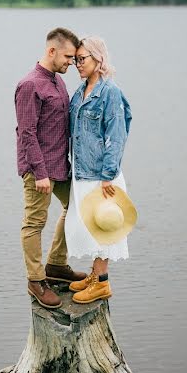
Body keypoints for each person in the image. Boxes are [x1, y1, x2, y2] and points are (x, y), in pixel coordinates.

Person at [15, 27, 88, 309]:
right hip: (39, 170)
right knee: (34, 223)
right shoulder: (30, 84)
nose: (72, 62)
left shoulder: (58, 82)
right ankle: (35, 280)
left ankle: (56, 264)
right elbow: (27, 133)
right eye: (68, 56)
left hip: (61, 166)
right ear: (51, 51)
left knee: (77, 207)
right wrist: (40, 173)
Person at [65, 36, 134, 304]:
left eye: (82, 59)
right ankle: (95, 274)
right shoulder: (80, 91)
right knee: (88, 226)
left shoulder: (110, 92)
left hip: (101, 177)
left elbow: (116, 136)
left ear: (99, 59)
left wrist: (108, 176)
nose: (77, 64)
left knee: (104, 226)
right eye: (75, 60)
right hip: (82, 173)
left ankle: (102, 282)